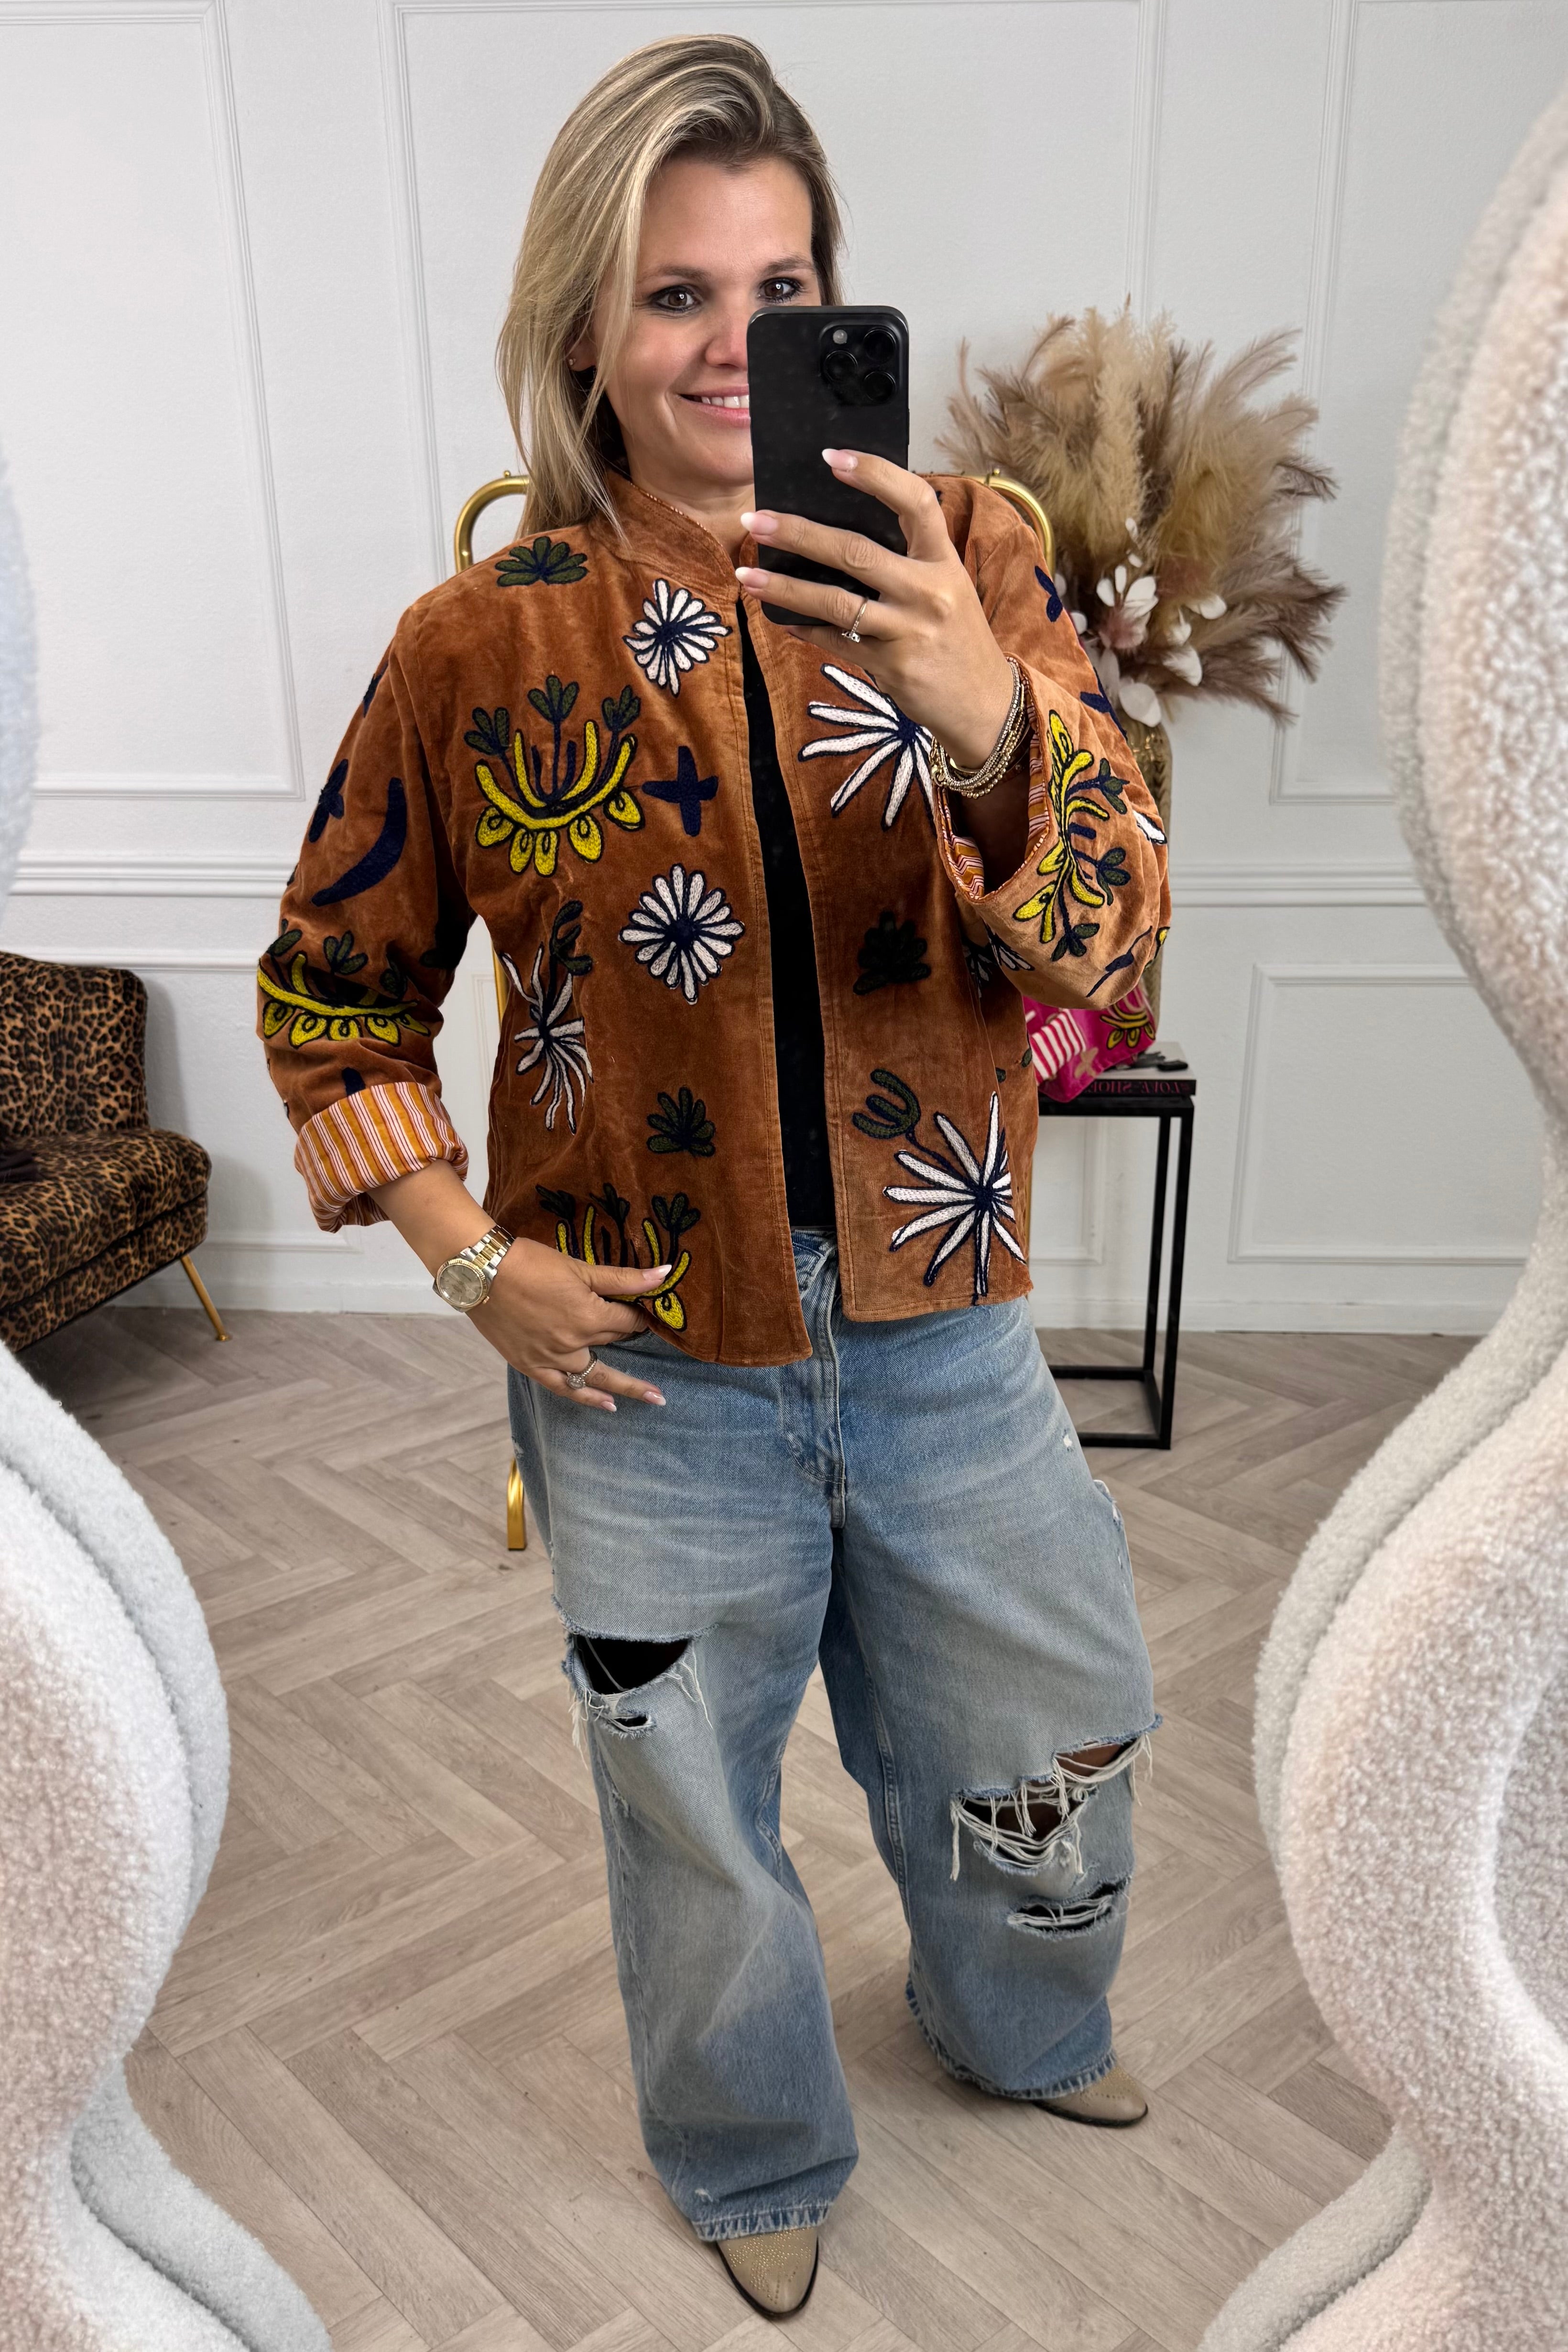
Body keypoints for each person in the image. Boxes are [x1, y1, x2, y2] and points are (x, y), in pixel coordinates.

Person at [258, 34, 1169, 2322]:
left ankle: (1020, 2018)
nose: (728, 345)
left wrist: (986, 711)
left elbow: (1116, 939)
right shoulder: (481, 641)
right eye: (675, 293)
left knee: (1048, 1725)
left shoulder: (969, 560)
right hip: (648, 1364)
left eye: (782, 290)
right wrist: (466, 1261)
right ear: (584, 326)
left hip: (947, 1327)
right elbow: (329, 994)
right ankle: (750, 2142)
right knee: (686, 1803)